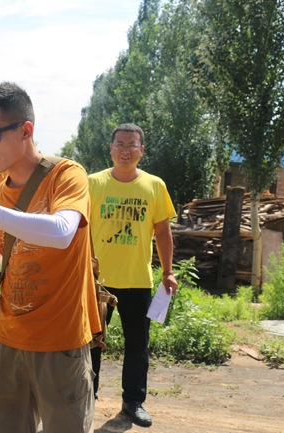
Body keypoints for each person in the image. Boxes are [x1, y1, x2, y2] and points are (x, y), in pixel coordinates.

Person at [0, 82, 100, 433]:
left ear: (26, 130)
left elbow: (62, 231)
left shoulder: (66, 176)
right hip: (7, 342)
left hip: (61, 341)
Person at [88, 123, 177, 427]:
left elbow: (163, 232)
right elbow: (76, 227)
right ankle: (87, 397)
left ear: (142, 150)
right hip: (97, 281)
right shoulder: (92, 184)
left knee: (138, 345)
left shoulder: (154, 186)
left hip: (138, 280)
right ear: (110, 148)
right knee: (91, 342)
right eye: (120, 144)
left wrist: (168, 272)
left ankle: (133, 401)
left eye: (132, 145)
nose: (126, 150)